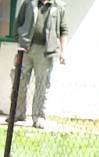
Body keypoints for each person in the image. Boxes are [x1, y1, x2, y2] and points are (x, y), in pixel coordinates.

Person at [9, 0, 68, 129]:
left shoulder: (59, 7)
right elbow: (18, 21)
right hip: (26, 48)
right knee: (19, 81)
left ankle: (39, 117)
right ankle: (18, 114)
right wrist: (18, 40)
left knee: (42, 84)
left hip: (45, 52)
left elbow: (63, 30)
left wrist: (63, 51)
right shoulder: (28, 3)